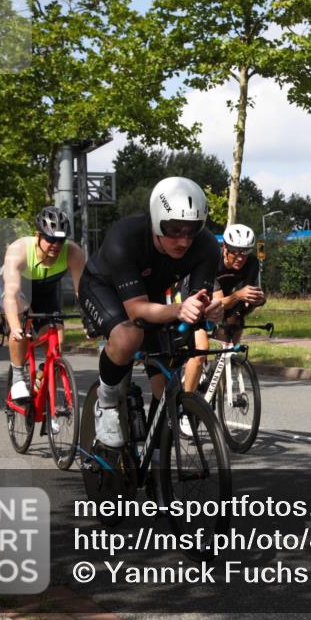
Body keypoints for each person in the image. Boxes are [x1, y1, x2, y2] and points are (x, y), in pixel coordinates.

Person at [78, 177, 224, 449]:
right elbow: (136, 312)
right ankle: (107, 401)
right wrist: (180, 308)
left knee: (167, 375)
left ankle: (155, 456)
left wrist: (208, 309)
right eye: (173, 229)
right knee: (127, 337)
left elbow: (197, 299)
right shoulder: (126, 237)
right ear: (157, 221)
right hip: (103, 287)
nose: (183, 240)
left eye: (192, 230)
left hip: (151, 295)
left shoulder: (206, 246)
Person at [0, 207, 86, 403]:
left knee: (57, 344)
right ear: (38, 235)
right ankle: (18, 376)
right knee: (21, 330)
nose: (56, 245)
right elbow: (11, 295)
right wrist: (14, 327)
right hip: (19, 291)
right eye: (50, 239)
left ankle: (44, 385)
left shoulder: (73, 253)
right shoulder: (18, 250)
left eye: (61, 240)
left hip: (46, 294)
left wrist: (90, 319)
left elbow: (83, 291)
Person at [181, 223, 266, 393]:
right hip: (198, 300)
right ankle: (187, 406)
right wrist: (238, 296)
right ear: (224, 247)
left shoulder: (252, 263)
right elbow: (216, 303)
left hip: (225, 301)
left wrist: (258, 300)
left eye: (246, 251)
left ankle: (217, 387)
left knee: (233, 338)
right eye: (235, 251)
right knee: (200, 353)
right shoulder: (212, 261)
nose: (241, 257)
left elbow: (245, 299)